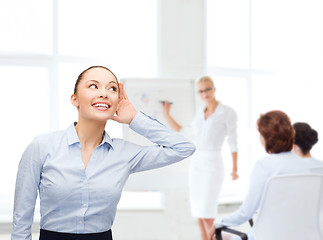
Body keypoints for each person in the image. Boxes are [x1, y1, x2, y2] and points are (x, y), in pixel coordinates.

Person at [11, 66, 196, 240]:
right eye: (93, 86)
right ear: (74, 99)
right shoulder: (42, 146)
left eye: (112, 89)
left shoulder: (124, 153)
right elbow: (21, 219)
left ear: (117, 101)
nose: (103, 93)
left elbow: (184, 147)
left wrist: (134, 118)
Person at [208, 110, 320, 240]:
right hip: (303, 236)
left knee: (217, 235)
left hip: (267, 236)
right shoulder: (306, 167)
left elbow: (245, 213)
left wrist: (217, 223)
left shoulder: (263, 166)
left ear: (266, 138)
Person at [162, 76, 238, 240]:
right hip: (197, 164)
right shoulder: (199, 112)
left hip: (213, 164)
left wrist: (235, 168)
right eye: (201, 91)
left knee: (208, 212)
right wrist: (167, 114)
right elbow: (185, 132)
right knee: (199, 213)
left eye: (208, 89)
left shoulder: (227, 112)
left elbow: (233, 140)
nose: (205, 93)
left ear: (214, 89)